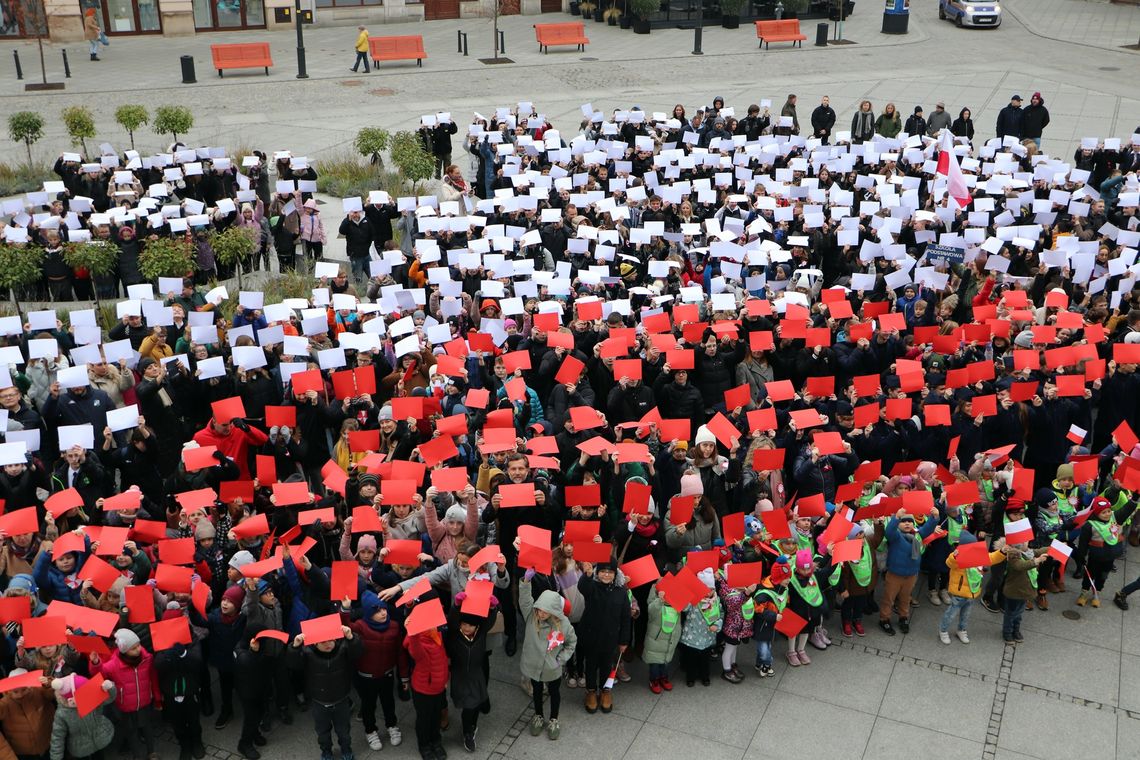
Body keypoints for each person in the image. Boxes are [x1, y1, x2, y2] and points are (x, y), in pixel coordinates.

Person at [287, 623, 363, 760]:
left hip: (341, 700)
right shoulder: (307, 654)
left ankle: (346, 749)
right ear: (315, 644)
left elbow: (357, 652)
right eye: (322, 642)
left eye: (330, 640)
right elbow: (293, 664)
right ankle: (326, 751)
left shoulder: (343, 649)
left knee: (344, 731)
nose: (327, 644)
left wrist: (351, 637)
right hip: (319, 702)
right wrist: (295, 647)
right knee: (322, 733)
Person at [518, 573, 576, 740]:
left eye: (545, 611)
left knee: (554, 692)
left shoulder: (564, 625)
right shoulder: (531, 616)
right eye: (539, 610)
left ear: (554, 611)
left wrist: (560, 660)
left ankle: (553, 719)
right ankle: (538, 715)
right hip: (533, 665)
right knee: (536, 691)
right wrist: (526, 581)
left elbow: (571, 643)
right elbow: (524, 599)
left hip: (552, 667)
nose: (541, 614)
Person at [941, 532, 1005, 644]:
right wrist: (955, 556)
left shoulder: (978, 556)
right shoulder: (957, 557)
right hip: (959, 594)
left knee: (965, 615)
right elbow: (949, 563)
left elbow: (992, 558)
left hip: (972, 593)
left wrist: (1002, 552)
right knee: (951, 614)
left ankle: (961, 630)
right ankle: (943, 630)